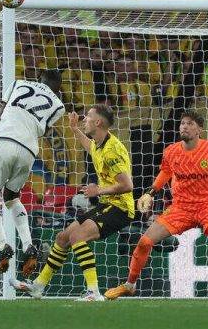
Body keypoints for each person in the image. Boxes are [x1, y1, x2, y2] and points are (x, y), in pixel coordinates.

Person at [105, 110, 208, 300]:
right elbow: (165, 172)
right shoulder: (171, 151)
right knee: (145, 241)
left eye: (190, 124)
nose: (185, 126)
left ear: (199, 129)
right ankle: (129, 285)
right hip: (181, 208)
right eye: (183, 123)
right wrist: (150, 193)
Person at [11, 105, 134, 301]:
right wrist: (75, 129)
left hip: (121, 208)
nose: (85, 119)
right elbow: (90, 147)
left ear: (98, 122)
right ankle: (38, 287)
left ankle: (93, 292)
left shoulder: (113, 150)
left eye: (88, 117)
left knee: (77, 236)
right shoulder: (100, 143)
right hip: (107, 205)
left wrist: (98, 190)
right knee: (62, 237)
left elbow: (127, 185)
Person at [0, 70, 65, 276]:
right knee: (12, 197)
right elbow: (43, 129)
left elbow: (3, 111)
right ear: (58, 89)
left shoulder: (18, 83)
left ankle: (3, 246)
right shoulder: (59, 106)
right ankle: (28, 245)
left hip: (5, 140)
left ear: (39, 80)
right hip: (28, 150)